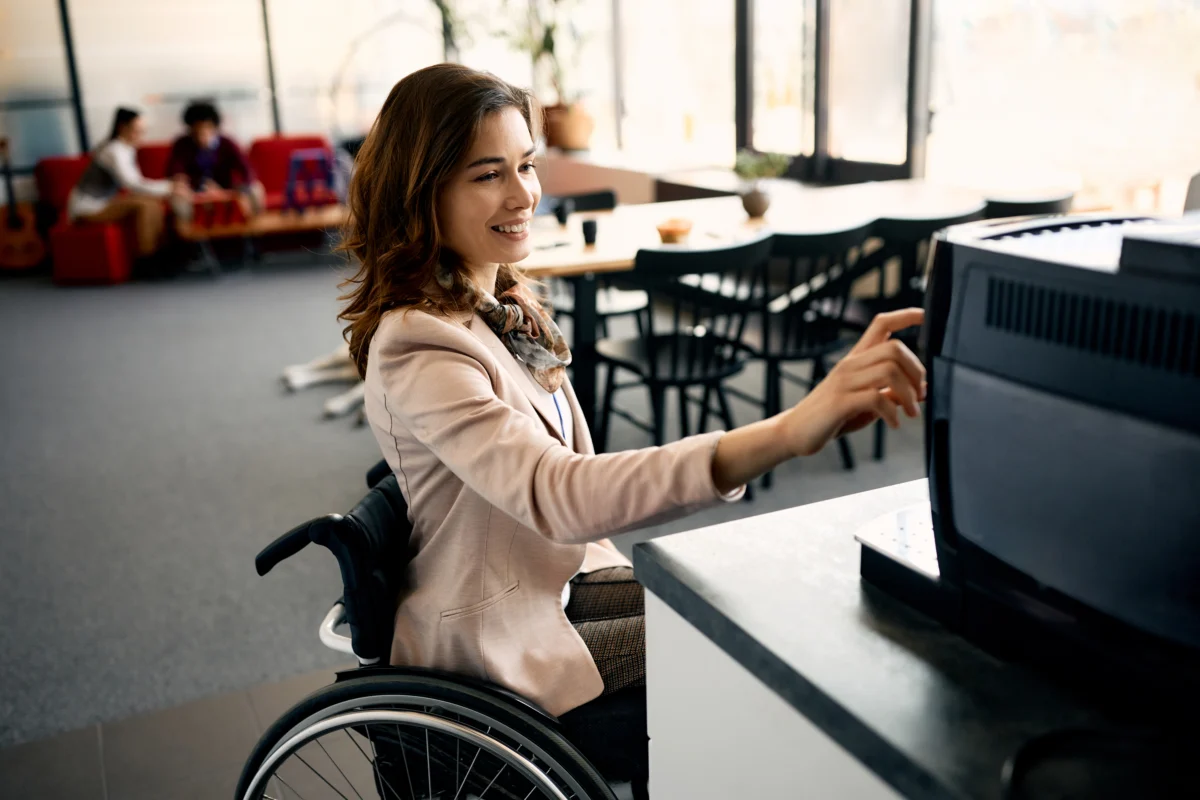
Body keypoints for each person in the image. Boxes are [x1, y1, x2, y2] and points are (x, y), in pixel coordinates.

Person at [340, 64, 926, 798]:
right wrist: (787, 431)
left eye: (526, 164)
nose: (524, 193)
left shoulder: (501, 304)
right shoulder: (419, 344)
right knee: (728, 659)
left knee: (737, 611)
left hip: (554, 581)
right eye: (488, 174)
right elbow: (558, 493)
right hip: (492, 635)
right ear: (419, 192)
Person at [68, 107, 191, 258]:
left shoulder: (127, 148)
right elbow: (132, 184)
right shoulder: (113, 150)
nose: (140, 136)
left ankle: (160, 250)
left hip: (104, 202)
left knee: (152, 202)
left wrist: (169, 186)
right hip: (88, 207)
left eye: (142, 131)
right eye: (137, 131)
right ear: (122, 128)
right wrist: (169, 187)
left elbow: (138, 183)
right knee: (144, 205)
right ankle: (147, 257)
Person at [166, 100, 265, 219]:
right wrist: (182, 184)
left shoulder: (227, 143)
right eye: (197, 129)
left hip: (226, 190)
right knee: (178, 199)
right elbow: (175, 170)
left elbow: (246, 169)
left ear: (215, 127)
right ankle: (192, 235)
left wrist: (240, 189)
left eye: (207, 127)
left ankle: (252, 232)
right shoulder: (181, 144)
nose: (202, 133)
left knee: (256, 188)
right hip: (194, 193)